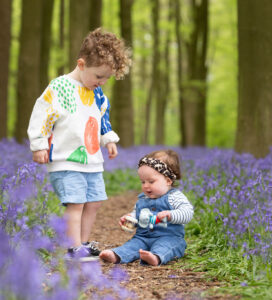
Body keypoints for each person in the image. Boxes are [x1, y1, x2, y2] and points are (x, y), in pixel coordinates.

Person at [27, 28, 131, 259]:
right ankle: (72, 247)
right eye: (99, 76)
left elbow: (102, 117)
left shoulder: (98, 93)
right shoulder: (59, 87)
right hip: (66, 159)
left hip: (92, 160)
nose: (102, 82)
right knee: (75, 203)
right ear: (81, 64)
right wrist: (39, 144)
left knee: (93, 202)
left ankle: (82, 243)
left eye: (106, 78)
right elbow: (42, 115)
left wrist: (109, 138)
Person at [100, 150, 194, 266]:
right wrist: (130, 219)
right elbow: (137, 215)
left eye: (151, 181)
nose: (145, 186)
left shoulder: (174, 197)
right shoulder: (143, 199)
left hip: (169, 237)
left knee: (166, 247)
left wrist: (171, 215)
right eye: (142, 181)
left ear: (168, 180)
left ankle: (155, 257)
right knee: (132, 245)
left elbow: (188, 213)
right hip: (143, 238)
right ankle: (117, 255)